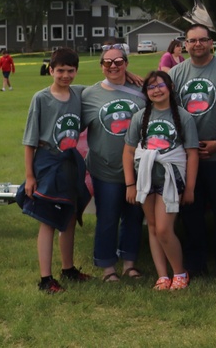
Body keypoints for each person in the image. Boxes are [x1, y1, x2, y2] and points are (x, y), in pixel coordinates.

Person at [171, 24, 216, 282]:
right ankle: (195, 264)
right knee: (191, 213)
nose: (197, 44)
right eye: (192, 41)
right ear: (184, 45)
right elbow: (170, 113)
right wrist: (188, 146)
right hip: (187, 158)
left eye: (202, 40)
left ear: (211, 43)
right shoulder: (176, 73)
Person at [20, 47, 91, 293]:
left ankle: (68, 268)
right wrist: (30, 176)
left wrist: (132, 75)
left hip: (70, 162)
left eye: (70, 71)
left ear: (76, 71)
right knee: (48, 219)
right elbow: (30, 141)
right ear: (50, 70)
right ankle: (45, 278)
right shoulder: (41, 98)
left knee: (69, 216)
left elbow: (108, 87)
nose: (65, 75)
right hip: (47, 161)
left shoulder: (80, 94)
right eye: (60, 70)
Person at [123, 71, 200, 291]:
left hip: (171, 180)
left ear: (170, 87)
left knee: (165, 229)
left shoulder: (183, 116)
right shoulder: (140, 116)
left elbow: (192, 154)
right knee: (154, 227)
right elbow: (128, 151)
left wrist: (190, 188)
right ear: (146, 92)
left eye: (160, 86)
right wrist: (131, 184)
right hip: (146, 180)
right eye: (151, 87)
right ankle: (162, 276)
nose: (156, 90)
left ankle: (179, 273)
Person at [81, 45, 146, 282]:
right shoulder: (89, 94)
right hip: (105, 169)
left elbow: (164, 87)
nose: (113, 66)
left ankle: (130, 263)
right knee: (107, 217)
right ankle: (108, 267)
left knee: (134, 216)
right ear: (101, 67)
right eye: (107, 63)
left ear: (127, 64)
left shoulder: (140, 89)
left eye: (118, 61)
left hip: (137, 169)